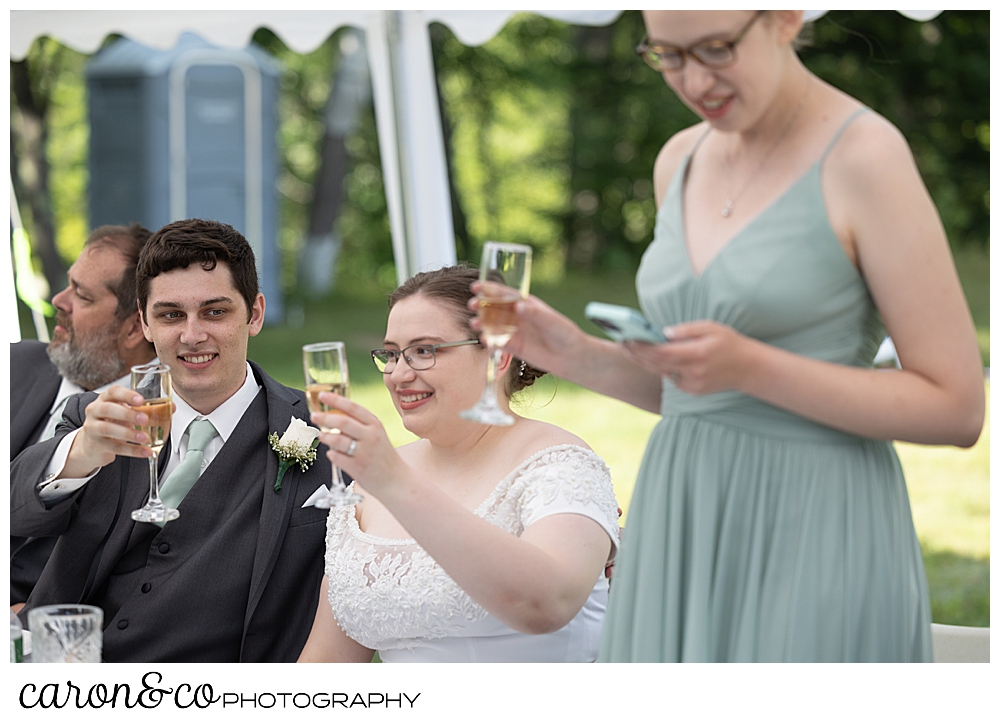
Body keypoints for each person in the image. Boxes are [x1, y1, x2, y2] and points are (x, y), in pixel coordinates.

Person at [490, 10, 985, 662]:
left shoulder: (865, 156)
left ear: (785, 17)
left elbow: (957, 406)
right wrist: (571, 352)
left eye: (716, 48)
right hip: (683, 508)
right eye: (666, 55)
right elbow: (698, 390)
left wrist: (752, 366)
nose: (693, 79)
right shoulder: (679, 161)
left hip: (813, 516)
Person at [11, 219, 330, 662]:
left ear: (254, 314)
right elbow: (14, 510)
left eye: (215, 312)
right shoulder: (99, 416)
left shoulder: (324, 434)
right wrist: (81, 452)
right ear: (143, 322)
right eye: (171, 315)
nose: (192, 334)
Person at [297, 265, 620, 663]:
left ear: (498, 355)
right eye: (392, 354)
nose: (398, 374)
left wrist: (394, 481)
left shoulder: (559, 464)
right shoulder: (368, 486)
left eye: (424, 351)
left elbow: (547, 604)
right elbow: (328, 662)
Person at [10, 223, 157, 609]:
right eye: (69, 284)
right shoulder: (16, 366)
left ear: (133, 328)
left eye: (83, 295)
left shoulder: (159, 423)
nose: (60, 300)